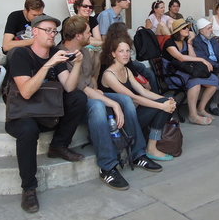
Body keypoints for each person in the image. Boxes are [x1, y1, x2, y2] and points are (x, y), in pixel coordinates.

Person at [59, 16, 163, 190]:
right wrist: (111, 103)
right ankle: (107, 167)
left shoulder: (85, 51)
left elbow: (90, 75)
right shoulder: (62, 54)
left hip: (92, 93)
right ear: (78, 36)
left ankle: (138, 153)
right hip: (77, 103)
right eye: (87, 33)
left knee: (125, 100)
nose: (91, 35)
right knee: (99, 106)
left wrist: (97, 87)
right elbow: (79, 88)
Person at [5, 15, 87, 213]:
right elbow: (25, 92)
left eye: (54, 31)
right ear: (35, 31)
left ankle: (58, 145)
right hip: (22, 114)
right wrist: (48, 65)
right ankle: (29, 188)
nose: (52, 35)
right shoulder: (20, 54)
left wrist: (76, 64)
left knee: (78, 97)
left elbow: (68, 87)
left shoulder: (56, 53)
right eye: (48, 30)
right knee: (27, 129)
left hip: (47, 112)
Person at [101, 37, 176, 161]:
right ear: (113, 54)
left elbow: (143, 91)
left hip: (134, 112)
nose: (125, 54)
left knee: (168, 99)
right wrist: (162, 105)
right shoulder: (109, 74)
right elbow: (134, 97)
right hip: (123, 122)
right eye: (121, 51)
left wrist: (165, 100)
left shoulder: (126, 70)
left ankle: (152, 145)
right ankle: (151, 148)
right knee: (163, 105)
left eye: (127, 51)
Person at [96, 0, 157, 92]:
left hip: (121, 53)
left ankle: (155, 98)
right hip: (111, 56)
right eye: (126, 0)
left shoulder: (120, 16)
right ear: (117, 2)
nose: (129, 2)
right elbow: (105, 39)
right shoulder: (105, 15)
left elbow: (124, 38)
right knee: (144, 71)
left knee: (145, 70)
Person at [162, 19, 219, 125]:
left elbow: (192, 57)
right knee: (195, 83)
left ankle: (201, 108)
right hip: (173, 74)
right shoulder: (169, 43)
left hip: (185, 71)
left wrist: (189, 42)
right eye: (184, 28)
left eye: (188, 27)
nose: (187, 29)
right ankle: (192, 115)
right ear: (178, 30)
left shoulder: (184, 41)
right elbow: (181, 58)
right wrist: (202, 60)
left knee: (214, 80)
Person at [98, 22, 159, 93]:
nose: (128, 33)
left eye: (127, 51)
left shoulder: (109, 45)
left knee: (143, 68)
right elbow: (131, 69)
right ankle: (155, 94)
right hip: (116, 82)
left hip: (124, 73)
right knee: (147, 72)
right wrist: (143, 82)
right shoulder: (117, 46)